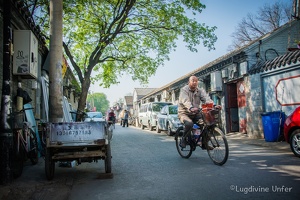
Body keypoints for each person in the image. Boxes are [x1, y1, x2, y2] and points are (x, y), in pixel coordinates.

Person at [178, 75, 219, 148]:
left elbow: (206, 99)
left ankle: (204, 143)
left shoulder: (200, 90)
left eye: (196, 81)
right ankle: (183, 139)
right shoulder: (184, 90)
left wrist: (214, 105)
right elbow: (185, 100)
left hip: (196, 113)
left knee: (208, 123)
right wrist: (191, 108)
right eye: (193, 81)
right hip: (184, 113)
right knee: (189, 124)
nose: (194, 82)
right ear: (189, 82)